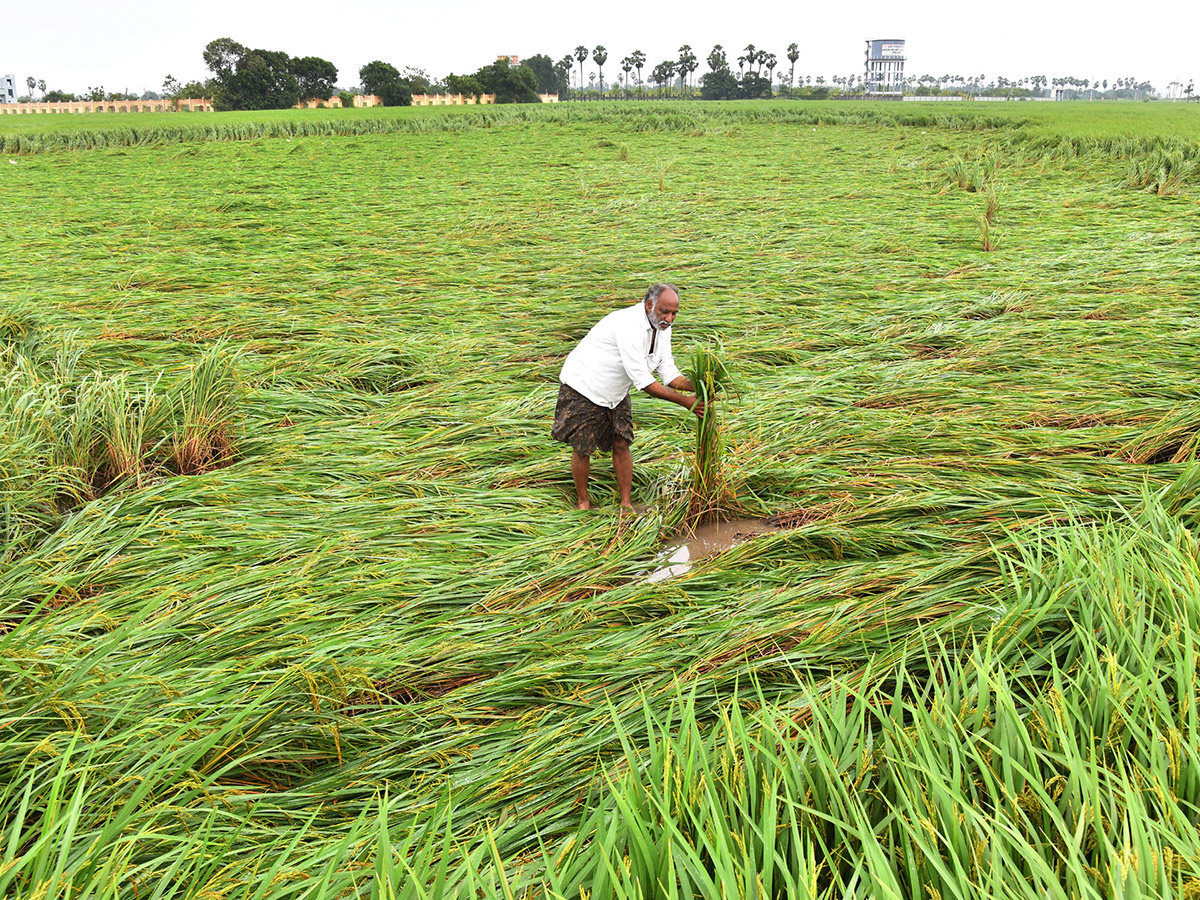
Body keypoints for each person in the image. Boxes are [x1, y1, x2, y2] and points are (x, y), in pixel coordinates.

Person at [552, 283, 705, 511]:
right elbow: (644, 382)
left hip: (616, 390)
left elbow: (669, 373)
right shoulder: (628, 325)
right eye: (665, 311)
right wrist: (687, 402)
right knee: (583, 447)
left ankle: (626, 502)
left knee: (622, 442)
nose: (670, 318)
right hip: (585, 385)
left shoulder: (662, 328)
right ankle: (583, 501)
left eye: (674, 313)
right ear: (650, 305)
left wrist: (702, 384)